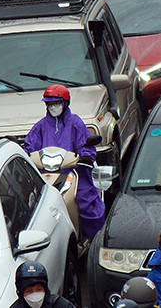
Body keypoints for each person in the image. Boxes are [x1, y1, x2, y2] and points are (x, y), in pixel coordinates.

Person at [24, 84, 107, 241]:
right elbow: (30, 146)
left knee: (86, 201)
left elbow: (86, 145)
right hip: (45, 175)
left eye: (56, 103)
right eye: (49, 103)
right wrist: (25, 153)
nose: (52, 107)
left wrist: (85, 156)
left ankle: (95, 239)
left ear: (65, 103)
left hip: (74, 173)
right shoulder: (40, 126)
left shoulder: (75, 123)